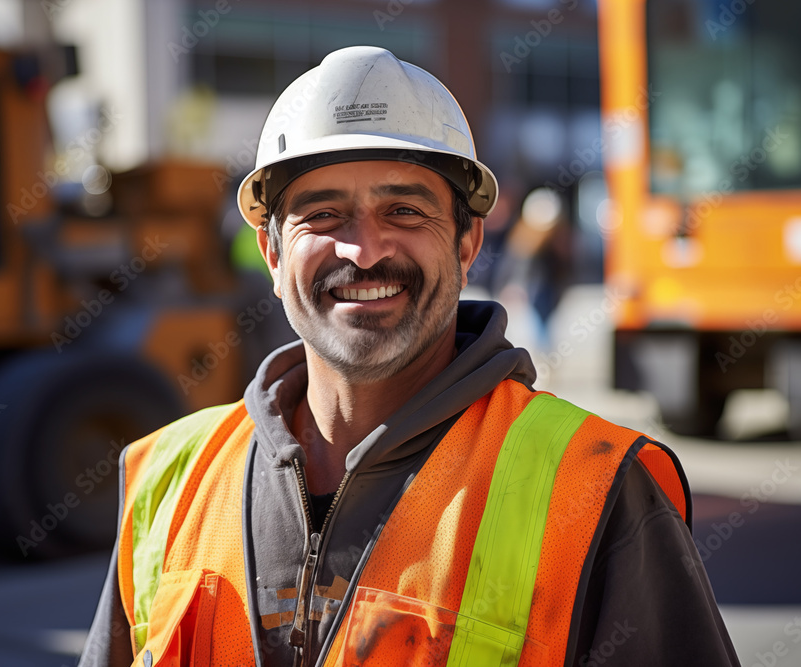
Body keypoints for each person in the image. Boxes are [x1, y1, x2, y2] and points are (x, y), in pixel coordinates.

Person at [78, 46, 739, 667]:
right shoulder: (167, 478)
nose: (363, 250)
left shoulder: (598, 488)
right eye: (323, 214)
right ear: (274, 253)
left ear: (467, 241)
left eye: (403, 209)